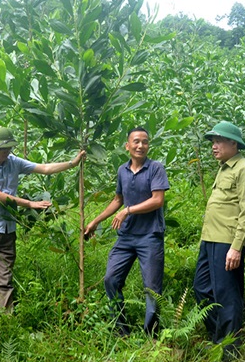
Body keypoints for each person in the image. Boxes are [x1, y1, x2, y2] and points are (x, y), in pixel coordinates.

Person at [0, 126, 85, 315]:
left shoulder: (13, 161)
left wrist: (72, 163)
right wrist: (30, 204)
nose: (7, 152)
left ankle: (3, 324)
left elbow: (44, 169)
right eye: (3, 149)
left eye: (9, 148)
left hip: (7, 228)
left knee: (4, 279)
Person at [84, 127, 170, 336]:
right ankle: (121, 329)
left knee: (151, 289)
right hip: (126, 237)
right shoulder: (122, 170)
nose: (141, 146)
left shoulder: (155, 168)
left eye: (145, 142)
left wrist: (128, 211)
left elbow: (157, 200)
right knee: (111, 280)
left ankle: (152, 335)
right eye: (136, 141)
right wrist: (96, 220)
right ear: (128, 146)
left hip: (150, 236)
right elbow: (118, 199)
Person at [193, 122, 245, 359]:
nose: (214, 146)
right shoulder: (224, 167)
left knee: (227, 295)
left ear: (234, 143)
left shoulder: (244, 168)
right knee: (201, 289)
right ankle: (220, 336)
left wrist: (236, 247)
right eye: (212, 142)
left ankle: (229, 349)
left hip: (227, 243)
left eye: (219, 141)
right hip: (209, 239)